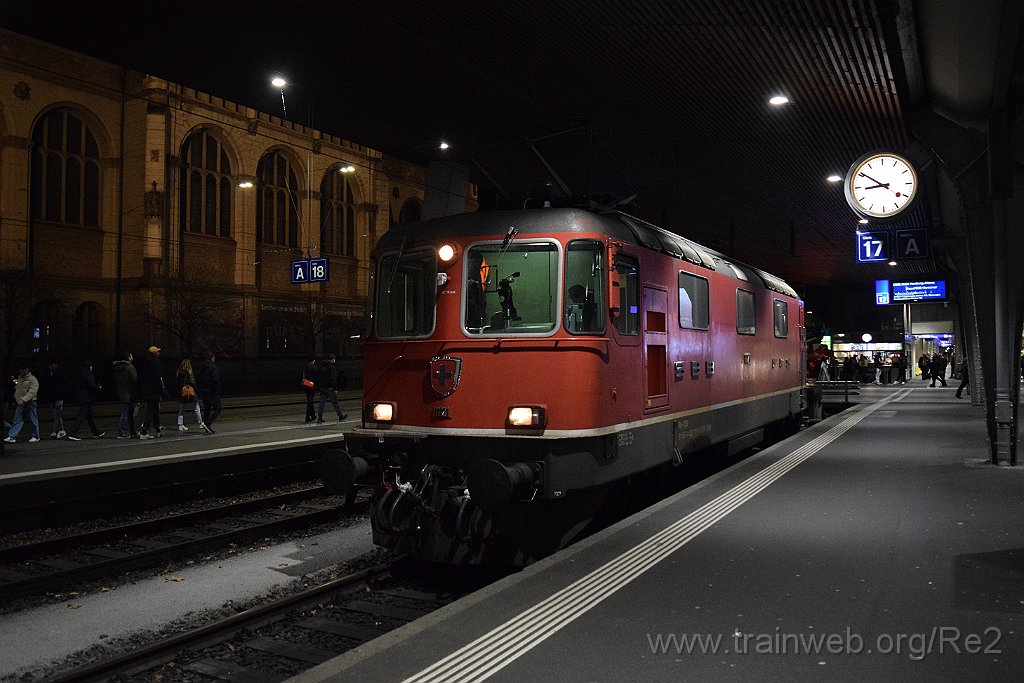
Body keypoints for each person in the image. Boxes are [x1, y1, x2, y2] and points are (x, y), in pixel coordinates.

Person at [66, 360, 105, 440]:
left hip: (82, 396)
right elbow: (92, 385)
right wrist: (98, 388)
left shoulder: (80, 375)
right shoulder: (89, 375)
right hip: (87, 397)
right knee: (82, 415)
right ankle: (72, 433)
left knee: (89, 416)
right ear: (89, 367)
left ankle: (96, 432)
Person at [4, 362, 41, 444]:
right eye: (21, 369)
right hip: (21, 402)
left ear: (27, 369)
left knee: (33, 420)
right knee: (17, 420)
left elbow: (32, 392)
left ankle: (36, 436)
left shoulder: (32, 379)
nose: (21, 370)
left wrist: (23, 400)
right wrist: (17, 399)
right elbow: (18, 390)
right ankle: (12, 436)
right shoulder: (20, 378)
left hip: (30, 402)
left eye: (23, 369)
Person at [137, 346, 167, 439]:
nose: (159, 353)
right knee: (151, 411)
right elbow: (157, 377)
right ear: (154, 353)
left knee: (155, 410)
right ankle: (144, 431)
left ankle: (158, 430)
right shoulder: (156, 363)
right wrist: (161, 391)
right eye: (157, 352)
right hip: (154, 391)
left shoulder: (145, 363)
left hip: (147, 390)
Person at [175, 358, 209, 433]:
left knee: (182, 409)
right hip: (190, 392)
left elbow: (177, 384)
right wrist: (196, 391)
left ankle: (180, 425)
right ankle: (200, 423)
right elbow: (192, 382)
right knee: (196, 407)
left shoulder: (179, 372)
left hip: (182, 393)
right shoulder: (189, 372)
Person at [38, 360, 68, 439]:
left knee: (57, 415)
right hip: (53, 398)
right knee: (57, 415)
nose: (51, 366)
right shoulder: (50, 375)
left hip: (58, 397)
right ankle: (60, 430)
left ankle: (56, 431)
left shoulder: (58, 374)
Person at [112, 351, 138, 438]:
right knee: (126, 412)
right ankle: (121, 432)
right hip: (129, 392)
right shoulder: (130, 367)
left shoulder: (118, 368)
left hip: (121, 391)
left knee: (129, 412)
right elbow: (134, 379)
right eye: (131, 356)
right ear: (129, 358)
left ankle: (132, 431)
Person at [316, 353, 348, 423]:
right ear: (333, 359)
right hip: (330, 388)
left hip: (322, 387)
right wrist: (335, 389)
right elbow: (333, 379)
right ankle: (340, 416)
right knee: (335, 402)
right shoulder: (332, 367)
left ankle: (319, 418)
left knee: (322, 403)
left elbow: (318, 377)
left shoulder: (321, 367)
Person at [195, 352, 222, 433]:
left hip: (204, 391)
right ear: (212, 358)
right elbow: (215, 380)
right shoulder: (213, 367)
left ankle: (207, 427)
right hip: (212, 391)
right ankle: (208, 423)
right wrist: (217, 390)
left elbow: (198, 379)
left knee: (207, 408)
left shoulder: (202, 367)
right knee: (217, 408)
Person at [302, 357, 318, 422]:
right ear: (313, 361)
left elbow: (303, 378)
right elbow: (316, 378)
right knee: (310, 401)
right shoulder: (315, 368)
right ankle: (307, 417)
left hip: (306, 385)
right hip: (312, 386)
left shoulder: (305, 368)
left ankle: (313, 415)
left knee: (310, 400)